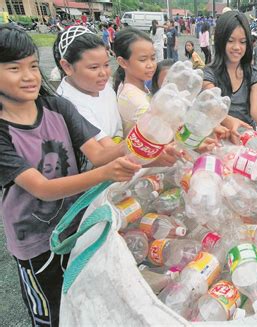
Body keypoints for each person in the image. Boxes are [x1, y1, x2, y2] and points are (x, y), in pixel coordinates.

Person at [0, 25, 143, 327]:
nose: (29, 76)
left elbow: (100, 153)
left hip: (74, 225)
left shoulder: (56, 106)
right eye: (14, 68)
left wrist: (149, 140)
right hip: (34, 241)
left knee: (80, 298)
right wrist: (105, 173)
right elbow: (42, 188)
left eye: (33, 66)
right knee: (50, 313)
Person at [53, 26, 123, 171]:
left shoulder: (101, 86)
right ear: (67, 66)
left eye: (106, 65)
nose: (104, 73)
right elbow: (103, 151)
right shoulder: (68, 103)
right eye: (93, 67)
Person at [202, 11, 257, 143]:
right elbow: (211, 106)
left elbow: (255, 109)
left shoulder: (253, 73)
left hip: (245, 136)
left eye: (242, 42)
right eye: (230, 41)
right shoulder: (209, 73)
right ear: (220, 41)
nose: (237, 47)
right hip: (219, 137)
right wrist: (229, 121)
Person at [113, 28, 156, 135]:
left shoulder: (128, 85)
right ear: (122, 62)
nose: (150, 65)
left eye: (153, 58)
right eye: (143, 60)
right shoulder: (138, 102)